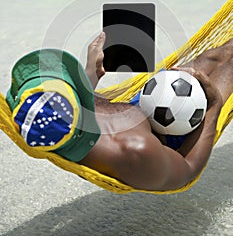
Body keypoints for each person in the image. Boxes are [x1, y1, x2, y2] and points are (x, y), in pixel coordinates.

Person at [6, 33, 232, 192]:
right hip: (178, 129)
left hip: (147, 103)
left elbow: (72, 107)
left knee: (210, 58)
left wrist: (89, 76)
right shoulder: (135, 150)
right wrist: (213, 105)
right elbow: (187, 169)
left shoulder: (54, 114)